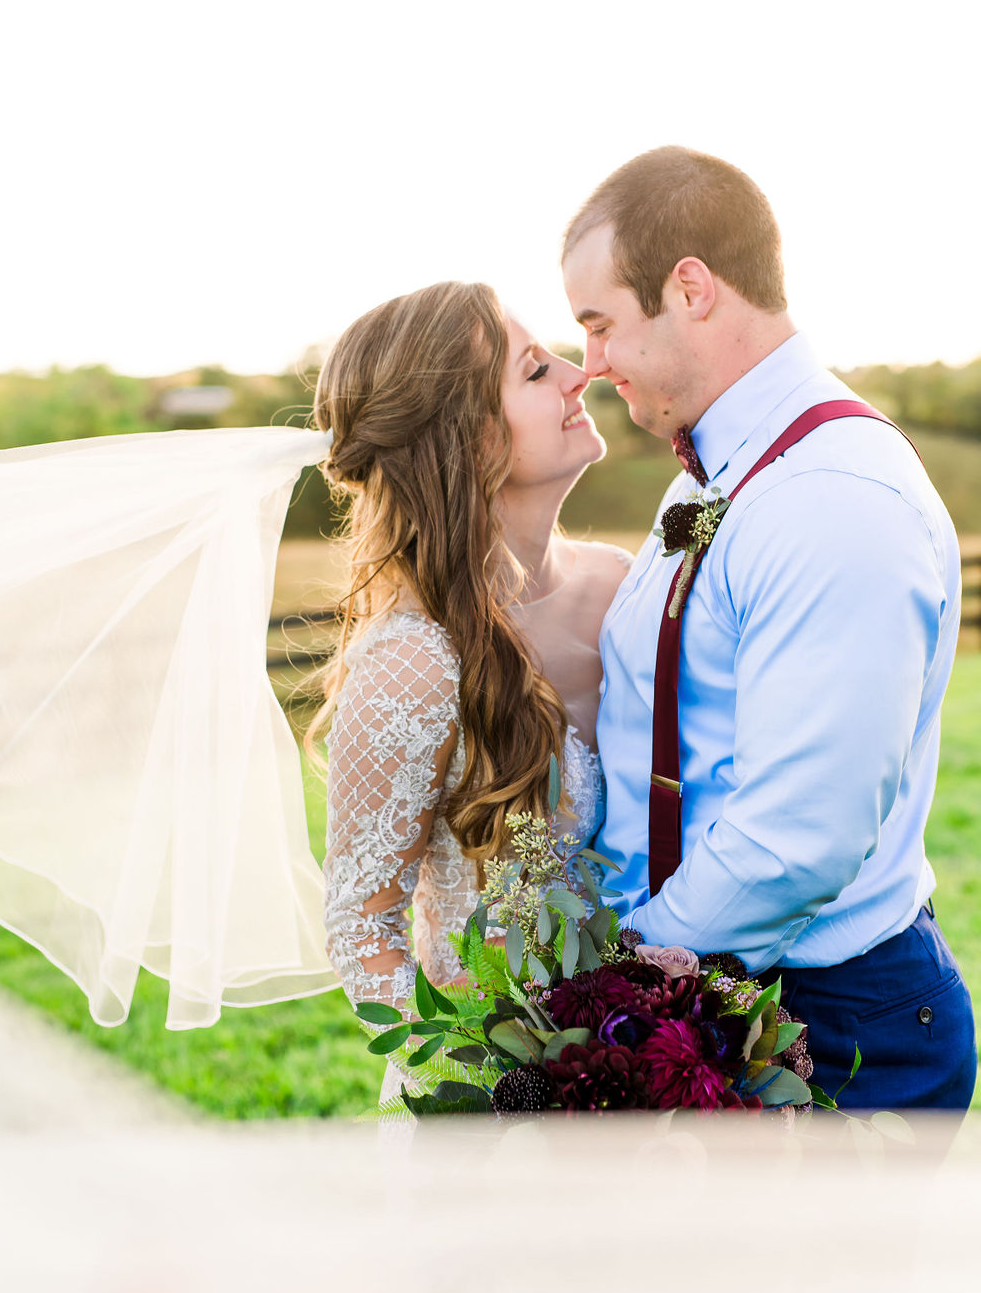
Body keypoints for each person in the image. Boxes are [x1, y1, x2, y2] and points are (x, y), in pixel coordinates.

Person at [561, 146, 976, 1111]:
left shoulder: (830, 497)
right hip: (720, 991)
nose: (592, 364)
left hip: (831, 1029)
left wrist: (622, 983)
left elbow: (801, 830)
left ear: (692, 288)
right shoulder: (723, 467)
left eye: (602, 324)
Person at [310, 281, 630, 1065]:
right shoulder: (413, 664)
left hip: (648, 1054)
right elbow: (362, 926)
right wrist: (488, 1079)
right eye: (532, 372)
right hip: (498, 1105)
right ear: (470, 439)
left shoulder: (626, 586)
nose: (575, 374)